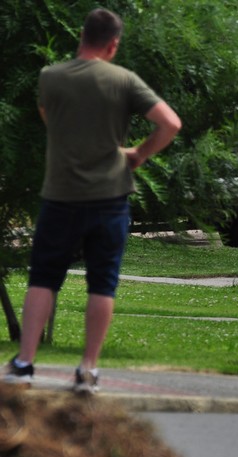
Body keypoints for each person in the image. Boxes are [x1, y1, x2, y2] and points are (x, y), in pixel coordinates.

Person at [3, 8, 181, 393]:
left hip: (61, 195)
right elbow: (170, 124)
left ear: (82, 36)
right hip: (111, 197)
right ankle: (87, 370)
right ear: (113, 44)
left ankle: (24, 363)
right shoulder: (124, 80)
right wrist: (139, 154)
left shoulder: (50, 77)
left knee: (43, 279)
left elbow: (48, 117)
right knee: (103, 283)